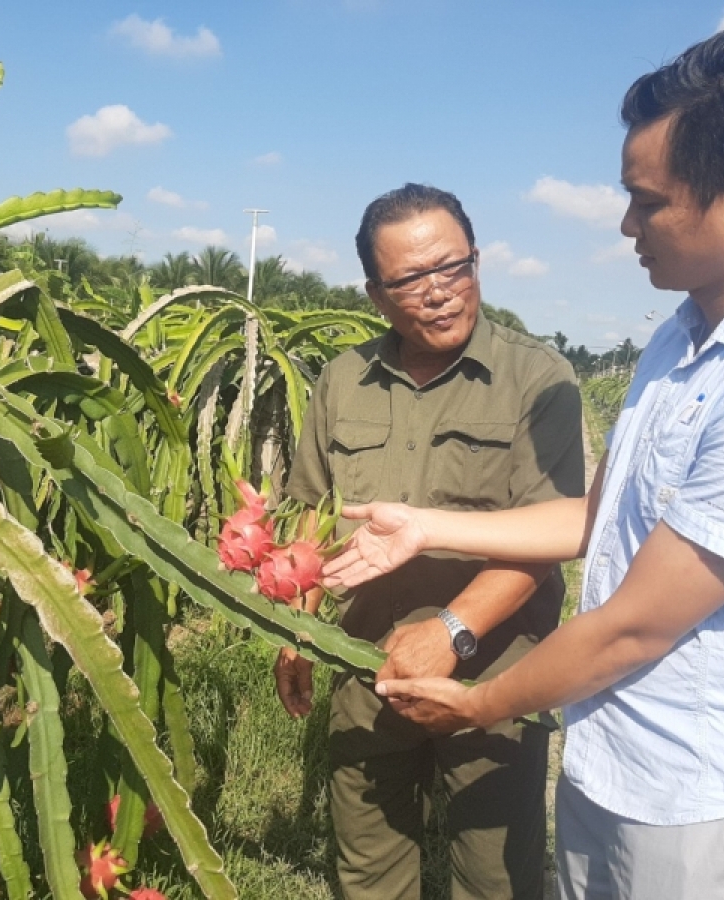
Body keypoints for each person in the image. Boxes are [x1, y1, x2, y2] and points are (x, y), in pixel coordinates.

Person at [323, 26, 724, 900]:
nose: (625, 224)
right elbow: (595, 516)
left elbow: (634, 627)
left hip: (709, 804)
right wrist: (422, 524)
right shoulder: (679, 342)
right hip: (617, 765)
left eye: (646, 200)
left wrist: (477, 701)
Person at [275, 182, 584, 899]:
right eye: (412, 279)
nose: (440, 292)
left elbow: (547, 533)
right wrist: (293, 623)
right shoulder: (342, 382)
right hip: (364, 660)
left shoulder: (539, 380)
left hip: (495, 666)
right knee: (368, 863)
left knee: (495, 873)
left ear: (478, 261)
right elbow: (307, 512)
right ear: (376, 295)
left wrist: (451, 631)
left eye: (456, 267)